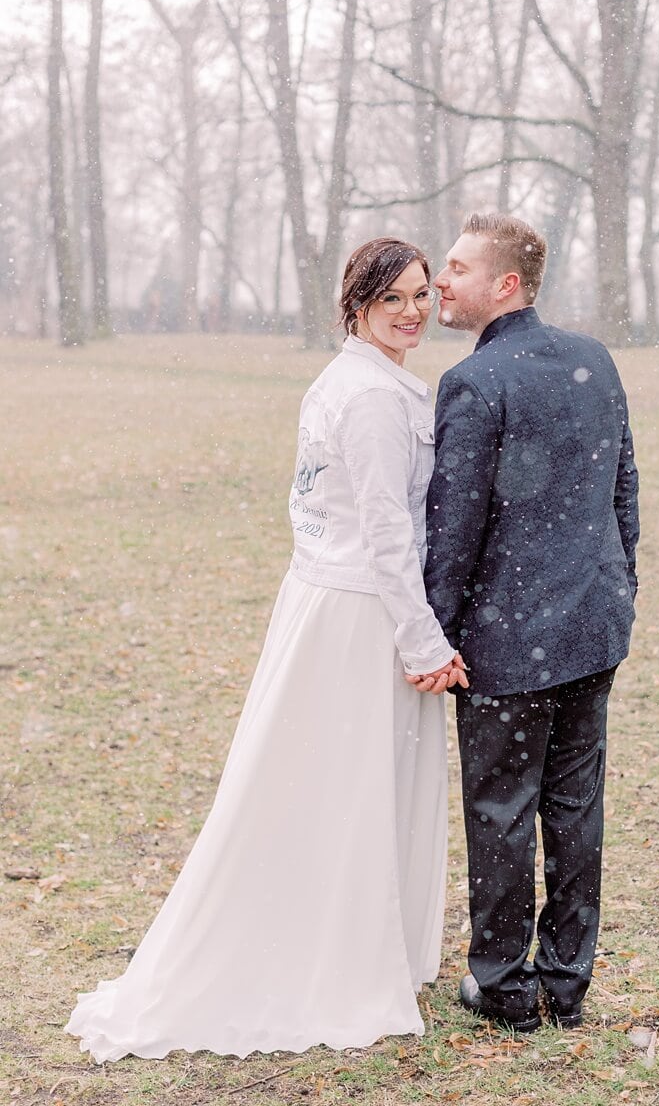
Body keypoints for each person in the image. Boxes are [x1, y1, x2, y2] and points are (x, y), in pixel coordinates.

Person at [66, 237, 468, 1062]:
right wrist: (422, 638)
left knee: (332, 778)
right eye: (393, 298)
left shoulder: (362, 380)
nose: (414, 311)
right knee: (348, 782)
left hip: (328, 596)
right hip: (360, 612)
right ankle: (333, 953)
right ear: (355, 305)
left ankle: (354, 935)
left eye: (422, 294)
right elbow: (388, 531)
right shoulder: (367, 399)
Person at [410, 212, 639, 1032]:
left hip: (510, 641)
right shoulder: (593, 359)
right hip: (594, 626)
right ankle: (567, 983)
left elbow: (453, 531)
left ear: (505, 285)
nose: (443, 281)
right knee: (575, 809)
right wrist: (624, 588)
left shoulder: (474, 383)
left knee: (501, 810)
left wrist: (430, 635)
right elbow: (625, 490)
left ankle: (506, 988)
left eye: (460, 269)